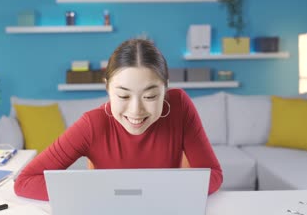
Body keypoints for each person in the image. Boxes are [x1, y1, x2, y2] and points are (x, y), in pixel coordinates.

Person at [14, 38, 223, 200]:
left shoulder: (179, 106)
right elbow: (25, 182)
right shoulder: (92, 125)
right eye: (123, 95)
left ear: (165, 88)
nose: (136, 111)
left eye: (150, 96)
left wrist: (150, 193)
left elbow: (213, 174)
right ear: (107, 88)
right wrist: (98, 192)